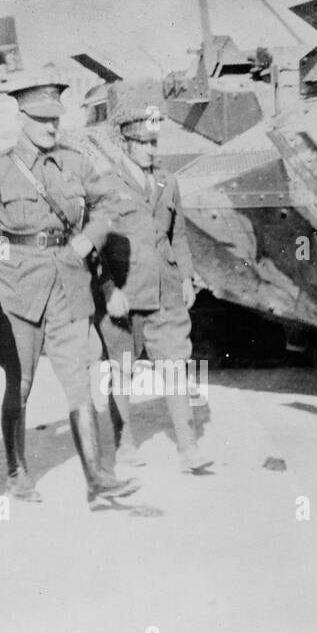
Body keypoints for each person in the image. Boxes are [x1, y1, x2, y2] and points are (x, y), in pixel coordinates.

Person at [0, 75, 140, 508]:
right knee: (19, 384)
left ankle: (97, 478)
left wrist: (92, 236)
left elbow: (110, 202)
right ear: (21, 117)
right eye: (41, 119)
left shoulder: (76, 163)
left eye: (55, 119)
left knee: (78, 381)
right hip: (16, 293)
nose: (50, 127)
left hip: (68, 285)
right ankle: (16, 472)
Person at [96, 105, 211, 473]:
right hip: (125, 291)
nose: (150, 149)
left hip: (166, 287)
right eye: (142, 143)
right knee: (123, 368)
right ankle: (124, 443)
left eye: (154, 142)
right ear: (124, 143)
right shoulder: (106, 185)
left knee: (176, 364)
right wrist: (109, 289)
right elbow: (92, 247)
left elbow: (178, 234)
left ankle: (189, 448)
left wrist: (187, 276)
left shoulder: (168, 181)